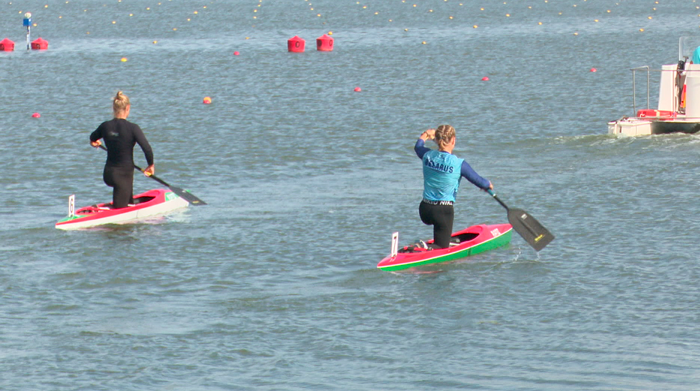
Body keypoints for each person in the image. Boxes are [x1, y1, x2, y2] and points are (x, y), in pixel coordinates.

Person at [414, 125, 493, 249]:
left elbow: (418, 147)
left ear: (437, 139)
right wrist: (488, 185)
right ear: (453, 140)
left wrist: (425, 135)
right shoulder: (459, 164)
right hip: (442, 212)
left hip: (424, 209)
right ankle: (425, 247)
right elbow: (479, 181)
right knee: (441, 247)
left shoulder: (427, 155)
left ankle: (437, 242)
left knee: (441, 234)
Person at [90, 91, 155, 209]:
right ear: (128, 108)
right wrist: (150, 165)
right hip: (123, 176)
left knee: (126, 197)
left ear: (113, 108)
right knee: (120, 210)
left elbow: (92, 138)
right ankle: (119, 210)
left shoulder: (105, 126)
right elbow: (147, 149)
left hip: (108, 174)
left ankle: (128, 201)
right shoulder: (133, 128)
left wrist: (95, 143)